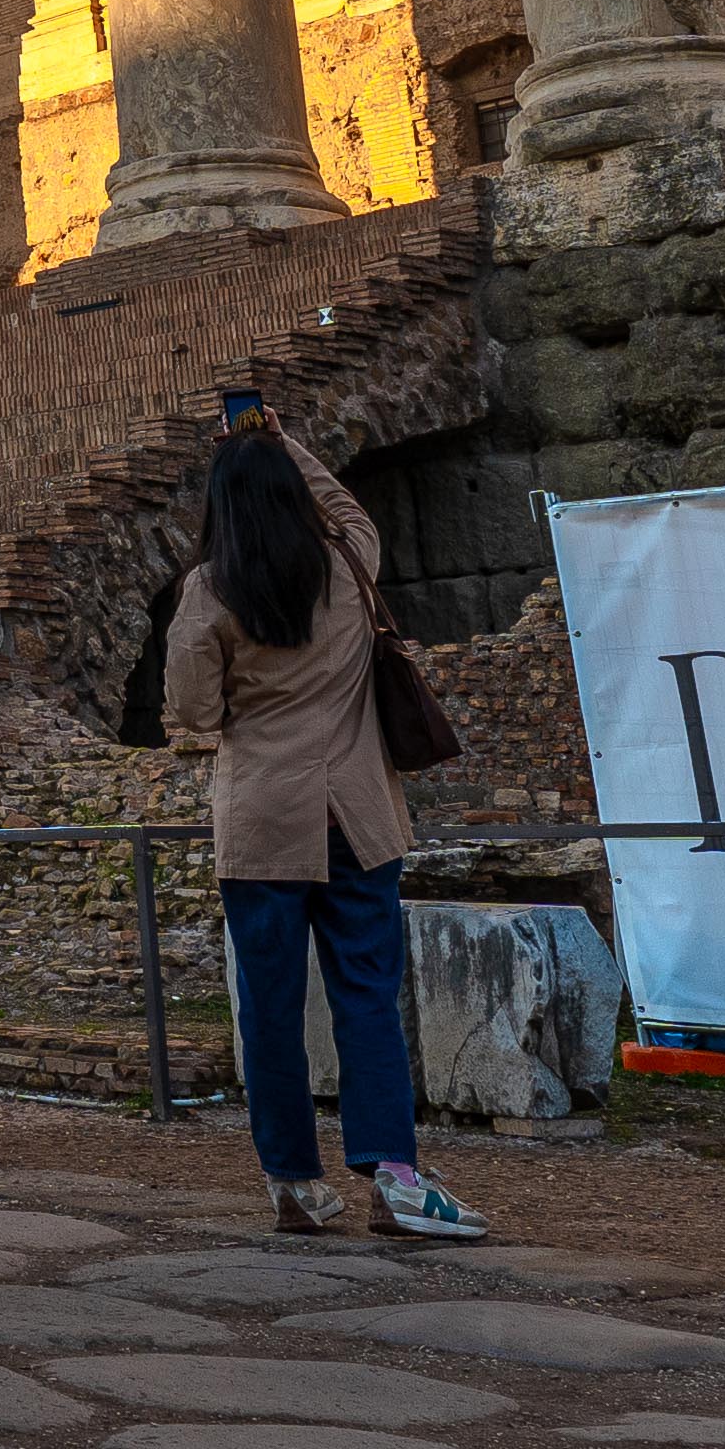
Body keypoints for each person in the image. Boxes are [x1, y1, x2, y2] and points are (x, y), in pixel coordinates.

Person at [164, 414, 486, 1240]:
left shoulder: (207, 589)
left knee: (267, 1011)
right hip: (356, 813)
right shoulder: (348, 563)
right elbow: (347, 510)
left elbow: (193, 713)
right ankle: (396, 1179)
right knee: (367, 1002)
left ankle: (292, 1184)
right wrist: (280, 441)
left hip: (261, 819)